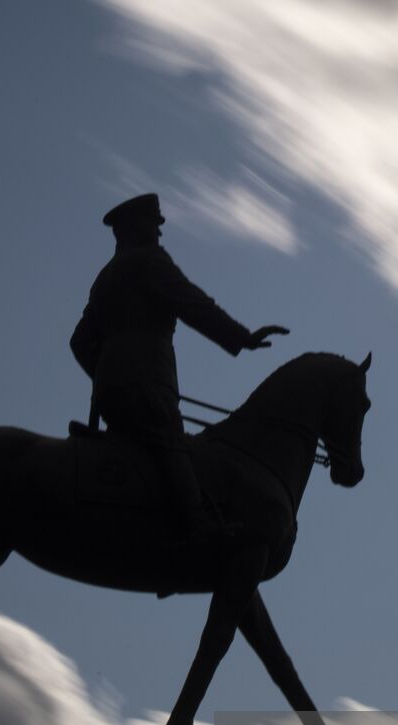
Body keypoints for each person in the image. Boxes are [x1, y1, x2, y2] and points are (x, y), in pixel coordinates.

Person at [70, 193, 288, 541]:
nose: (159, 233)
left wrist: (106, 379)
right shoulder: (149, 262)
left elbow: (79, 343)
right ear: (135, 228)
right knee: (171, 443)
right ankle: (196, 527)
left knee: (145, 451)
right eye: (154, 225)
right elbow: (193, 305)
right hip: (146, 383)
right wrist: (241, 337)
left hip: (111, 391)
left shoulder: (105, 278)